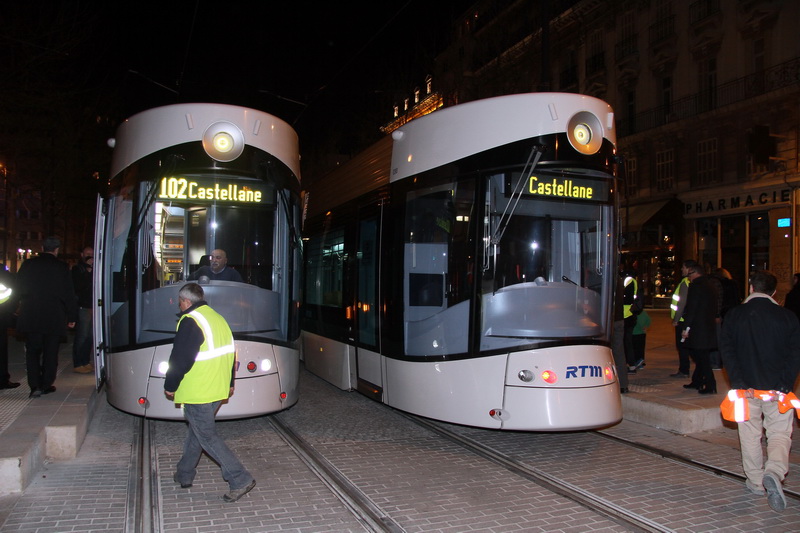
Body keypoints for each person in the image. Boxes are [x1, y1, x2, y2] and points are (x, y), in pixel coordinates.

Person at [164, 282, 256, 503]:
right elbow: (231, 353)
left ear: (185, 301)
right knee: (197, 433)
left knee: (206, 436)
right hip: (217, 389)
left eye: (180, 302)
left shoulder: (191, 321)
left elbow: (180, 358)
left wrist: (170, 384)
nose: (180, 305)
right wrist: (230, 383)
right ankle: (184, 474)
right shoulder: (217, 318)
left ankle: (239, 478)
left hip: (199, 391)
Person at [720, 270, 800, 512]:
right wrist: (784, 385)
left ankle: (755, 481)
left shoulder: (734, 315)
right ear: (774, 292)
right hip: (778, 391)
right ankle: (774, 471)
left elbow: (728, 353)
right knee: (778, 434)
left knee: (750, 434)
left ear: (751, 287)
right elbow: (795, 355)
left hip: (746, 391)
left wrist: (739, 383)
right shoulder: (788, 317)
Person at [16, 236, 78, 398]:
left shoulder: (28, 264)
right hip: (54, 316)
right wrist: (72, 316)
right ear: (56, 250)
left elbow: (18, 287)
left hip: (31, 314)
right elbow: (69, 294)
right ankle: (46, 384)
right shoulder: (61, 267)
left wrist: (17, 308)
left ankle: (34, 385)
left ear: (42, 248)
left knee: (32, 351)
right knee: (51, 352)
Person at [680, 262, 719, 394]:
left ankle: (710, 384)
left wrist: (686, 328)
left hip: (698, 328)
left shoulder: (696, 286)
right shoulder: (710, 285)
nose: (683, 271)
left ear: (693, 272)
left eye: (687, 271)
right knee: (701, 356)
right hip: (707, 326)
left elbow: (692, 308)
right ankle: (697, 381)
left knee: (701, 357)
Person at [669, 260, 696, 378]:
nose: (681, 270)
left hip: (682, 320)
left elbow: (681, 303)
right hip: (690, 318)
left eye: (683, 267)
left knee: (682, 346)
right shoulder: (693, 282)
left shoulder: (685, 282)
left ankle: (684, 370)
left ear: (689, 269)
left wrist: (676, 318)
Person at [71, 246, 94, 373]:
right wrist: (88, 272)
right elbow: (78, 287)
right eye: (87, 253)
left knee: (90, 336)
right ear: (82, 255)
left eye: (91, 253)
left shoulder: (95, 268)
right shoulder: (77, 269)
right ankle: (78, 362)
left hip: (93, 306)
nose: (90, 256)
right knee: (82, 335)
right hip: (83, 306)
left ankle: (85, 361)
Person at [0, 267, 20, 389]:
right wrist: (11, 310)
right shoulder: (3, 273)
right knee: (1, 348)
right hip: (2, 315)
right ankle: (2, 380)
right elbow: (14, 292)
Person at [622, 268, 644, 372]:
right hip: (630, 315)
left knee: (625, 342)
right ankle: (631, 364)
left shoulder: (628, 280)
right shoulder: (634, 281)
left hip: (626, 315)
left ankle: (631, 365)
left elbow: (626, 298)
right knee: (627, 341)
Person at [612, 274, 629, 393]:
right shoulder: (618, 278)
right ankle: (623, 384)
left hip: (608, 320)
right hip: (619, 318)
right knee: (619, 352)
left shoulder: (602, 276)